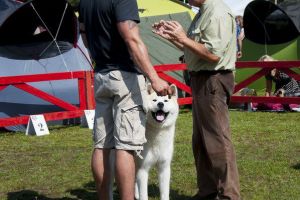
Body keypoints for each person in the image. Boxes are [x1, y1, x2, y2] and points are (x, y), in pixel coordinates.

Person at [78, 0, 171, 199]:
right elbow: (131, 39)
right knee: (125, 147)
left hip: (102, 74)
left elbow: (84, 35)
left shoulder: (85, 1)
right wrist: (154, 78)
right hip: (125, 77)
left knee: (102, 144)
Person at [152, 0, 240, 199]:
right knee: (201, 140)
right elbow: (195, 48)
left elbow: (212, 54)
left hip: (212, 80)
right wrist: (173, 37)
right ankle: (208, 191)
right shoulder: (204, 11)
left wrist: (183, 36)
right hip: (203, 80)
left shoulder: (216, 12)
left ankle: (228, 195)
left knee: (217, 140)